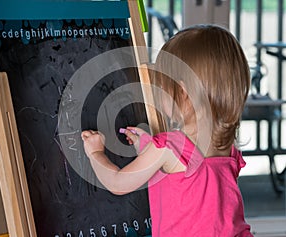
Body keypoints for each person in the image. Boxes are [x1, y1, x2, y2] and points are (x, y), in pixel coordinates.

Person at [81, 24, 254, 237]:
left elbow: (117, 183)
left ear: (181, 91)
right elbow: (193, 189)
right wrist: (147, 147)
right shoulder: (227, 147)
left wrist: (95, 153)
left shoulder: (169, 147)